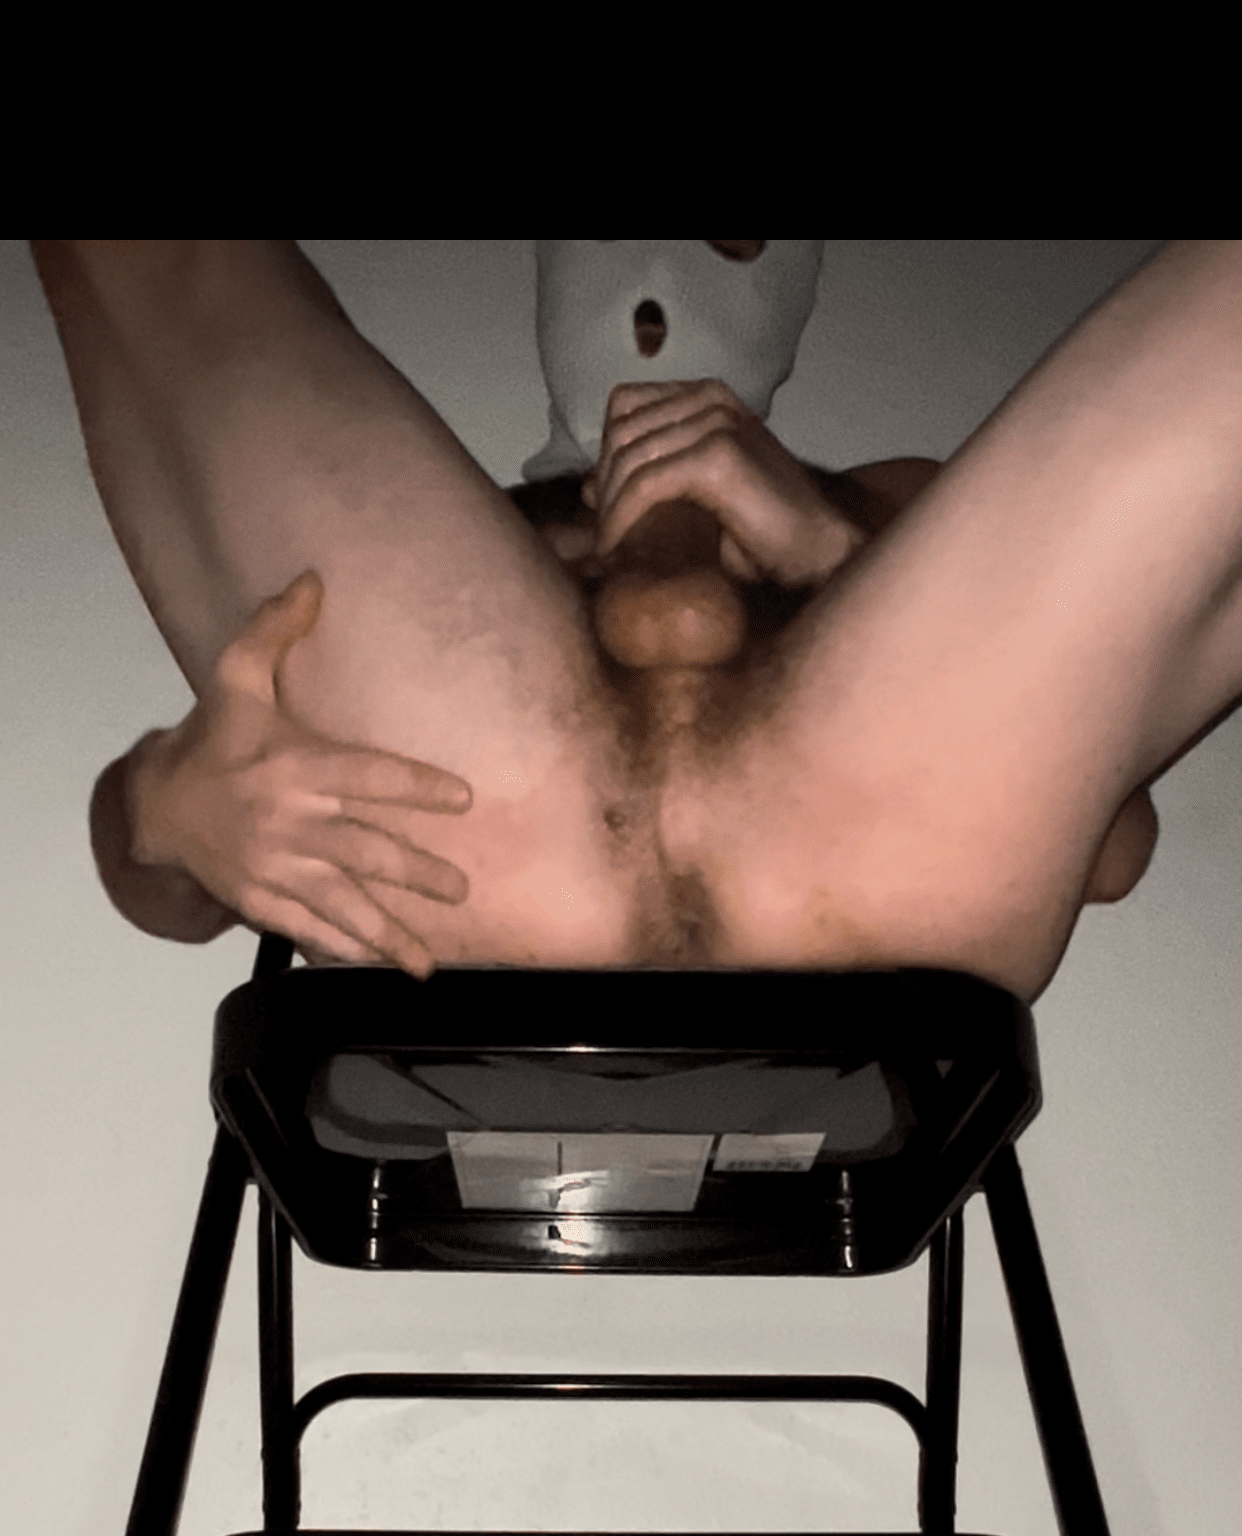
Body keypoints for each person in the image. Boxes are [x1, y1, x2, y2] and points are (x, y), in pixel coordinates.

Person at [31, 239, 1242, 1001]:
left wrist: (831, 542)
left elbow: (1113, 842)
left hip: (871, 850)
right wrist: (166, 804)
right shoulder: (452, 532)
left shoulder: (895, 506)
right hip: (474, 849)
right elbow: (157, 889)